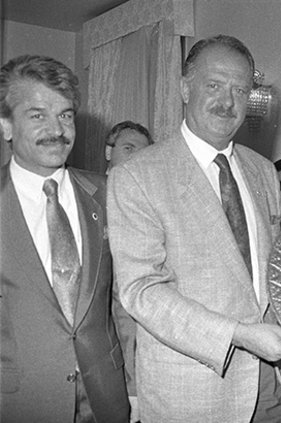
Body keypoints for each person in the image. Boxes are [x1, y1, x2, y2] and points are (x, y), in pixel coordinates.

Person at [107, 35, 281, 422]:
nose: (227, 101)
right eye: (214, 85)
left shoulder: (263, 171)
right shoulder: (137, 176)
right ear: (185, 88)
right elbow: (142, 291)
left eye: (240, 90)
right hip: (194, 392)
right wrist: (238, 335)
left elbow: (278, 271)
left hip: (273, 386)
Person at [0, 55, 134, 422]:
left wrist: (135, 387)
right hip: (19, 404)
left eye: (65, 115)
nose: (57, 129)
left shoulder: (108, 194)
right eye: (37, 115)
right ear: (6, 125)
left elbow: (124, 301)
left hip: (106, 399)